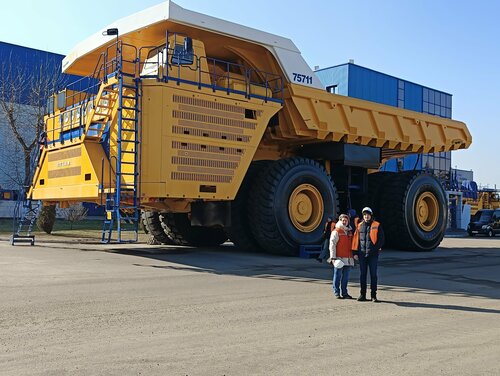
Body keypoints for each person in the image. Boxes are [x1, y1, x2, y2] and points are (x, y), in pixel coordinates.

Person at [352, 207, 385, 302]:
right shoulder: (359, 226)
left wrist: (374, 250)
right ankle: (362, 295)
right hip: (362, 254)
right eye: (364, 215)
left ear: (371, 215)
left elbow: (381, 240)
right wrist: (355, 252)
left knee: (373, 275)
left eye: (368, 214)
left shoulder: (377, 225)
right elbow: (356, 239)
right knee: (363, 275)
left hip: (373, 255)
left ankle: (373, 296)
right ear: (363, 216)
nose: (366, 216)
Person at [327, 214, 354, 299]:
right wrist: (333, 258)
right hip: (339, 258)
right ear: (340, 221)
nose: (344, 222)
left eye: (346, 220)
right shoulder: (336, 231)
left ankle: (345, 293)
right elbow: (332, 245)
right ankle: (337, 292)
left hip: (348, 259)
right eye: (343, 220)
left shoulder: (350, 232)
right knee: (337, 276)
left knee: (345, 278)